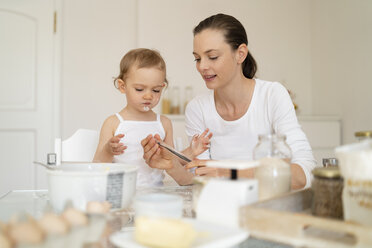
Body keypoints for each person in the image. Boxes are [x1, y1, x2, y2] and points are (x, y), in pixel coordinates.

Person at [141, 14, 317, 189]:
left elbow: (304, 173)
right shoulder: (198, 108)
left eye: (213, 57)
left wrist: (228, 171)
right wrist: (170, 163)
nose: (202, 66)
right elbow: (198, 176)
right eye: (197, 58)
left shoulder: (272, 95)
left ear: (240, 54)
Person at [93, 48, 211, 187]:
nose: (148, 96)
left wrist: (191, 151)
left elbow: (171, 161)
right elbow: (97, 165)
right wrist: (108, 150)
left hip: (155, 195)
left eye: (156, 90)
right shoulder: (113, 123)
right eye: (139, 89)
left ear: (163, 87)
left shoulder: (163, 123)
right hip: (122, 194)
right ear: (122, 86)